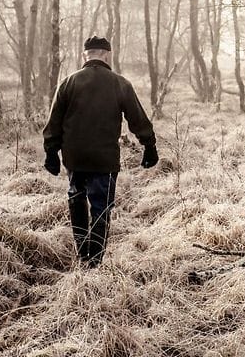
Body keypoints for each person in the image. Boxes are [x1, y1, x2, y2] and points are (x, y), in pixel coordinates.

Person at [42, 36, 159, 268]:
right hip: (104, 159)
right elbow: (137, 119)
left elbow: (53, 123)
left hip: (74, 158)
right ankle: (93, 261)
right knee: (101, 208)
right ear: (107, 54)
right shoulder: (120, 83)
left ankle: (82, 253)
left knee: (76, 200)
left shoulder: (68, 83)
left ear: (86, 55)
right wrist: (149, 146)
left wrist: (51, 153)